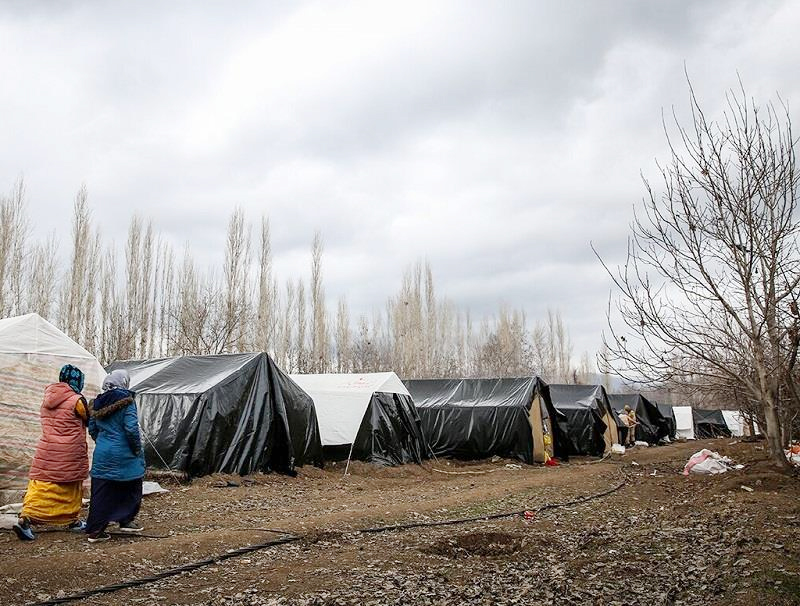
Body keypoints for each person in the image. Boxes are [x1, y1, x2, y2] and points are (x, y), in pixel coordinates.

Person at [12, 365, 90, 541]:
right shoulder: (78, 400)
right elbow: (88, 418)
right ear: (77, 381)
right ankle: (72, 520)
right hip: (70, 453)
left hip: (46, 451)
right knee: (70, 487)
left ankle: (26, 518)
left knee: (41, 487)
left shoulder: (47, 398)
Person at [85, 369, 146, 543]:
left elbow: (93, 429)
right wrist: (136, 449)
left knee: (102, 491)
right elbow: (131, 429)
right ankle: (126, 520)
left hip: (103, 452)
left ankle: (96, 529)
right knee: (132, 486)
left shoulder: (96, 403)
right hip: (124, 453)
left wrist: (103, 443)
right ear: (124, 382)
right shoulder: (127, 402)